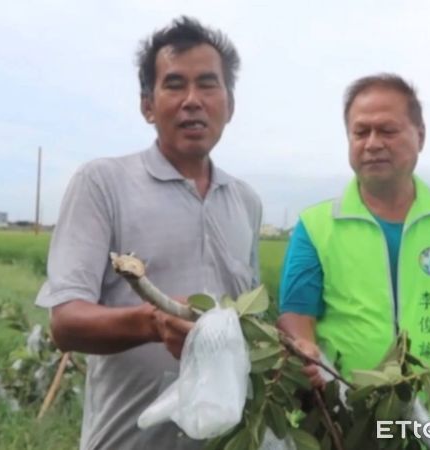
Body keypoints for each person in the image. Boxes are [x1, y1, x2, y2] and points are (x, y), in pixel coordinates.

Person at [35, 16, 262, 450]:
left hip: (226, 438)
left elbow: (246, 321)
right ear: (147, 105)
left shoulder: (246, 201)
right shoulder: (103, 183)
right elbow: (65, 322)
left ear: (229, 105)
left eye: (208, 85)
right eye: (174, 84)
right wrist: (154, 322)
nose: (192, 100)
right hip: (126, 439)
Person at [278, 74, 430, 449]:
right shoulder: (315, 226)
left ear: (420, 135)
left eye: (387, 130)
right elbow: (296, 314)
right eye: (361, 132)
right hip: (343, 427)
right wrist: (304, 347)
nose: (373, 144)